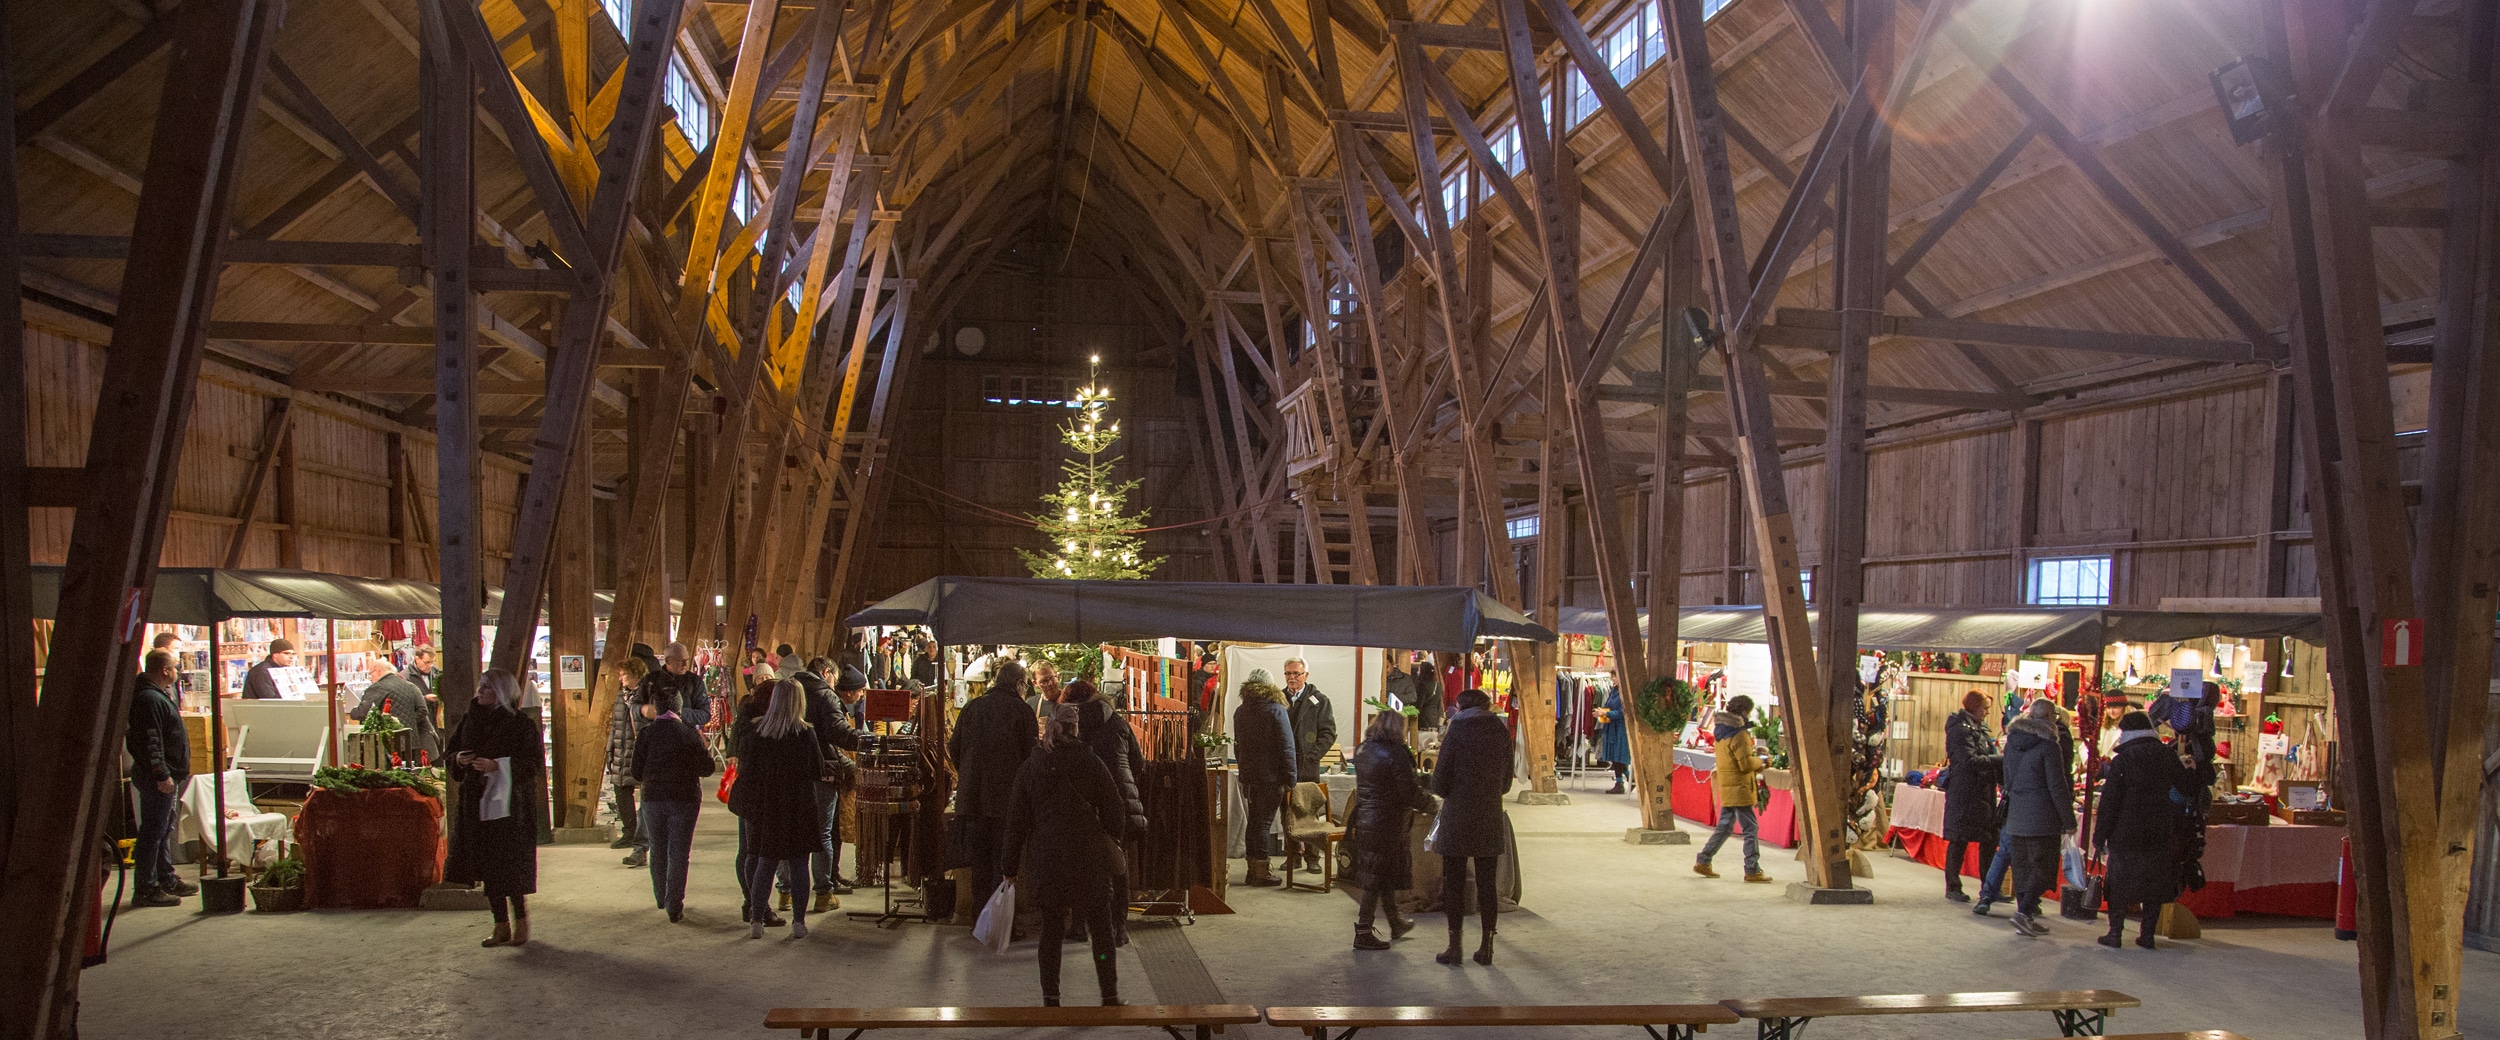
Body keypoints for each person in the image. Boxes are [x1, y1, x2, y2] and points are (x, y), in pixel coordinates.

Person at [1004, 702, 1127, 1007]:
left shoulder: (1032, 766)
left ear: (1048, 726)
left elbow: (1016, 820)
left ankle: (1051, 998)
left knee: (1051, 931)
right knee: (1100, 929)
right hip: (1088, 856)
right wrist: (1109, 834)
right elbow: (1115, 811)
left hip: (1047, 857)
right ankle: (1109, 996)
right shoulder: (1090, 762)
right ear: (1076, 728)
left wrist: (1009, 866)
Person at [446, 669, 545, 948]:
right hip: (477, 802)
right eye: (480, 685)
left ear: (501, 691)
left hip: (509, 805)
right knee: (487, 864)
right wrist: (460, 760)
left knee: (509, 865)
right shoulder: (470, 720)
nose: (480, 691)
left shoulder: (519, 724)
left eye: (487, 687)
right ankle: (499, 924)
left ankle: (521, 922)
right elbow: (451, 752)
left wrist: (498, 766)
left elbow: (533, 764)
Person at [730, 679, 827, 939]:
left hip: (767, 807)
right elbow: (818, 770)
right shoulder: (805, 734)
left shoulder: (756, 734)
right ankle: (798, 922)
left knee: (765, 862)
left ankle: (757, 921)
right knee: (798, 865)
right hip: (799, 806)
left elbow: (747, 772)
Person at [1430, 688, 1512, 965]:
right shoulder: (1501, 732)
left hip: (1458, 816)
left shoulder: (1456, 732)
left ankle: (1455, 948)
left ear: (1459, 707)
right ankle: (1487, 947)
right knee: (1487, 884)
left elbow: (1439, 782)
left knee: (1454, 883)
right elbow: (1507, 782)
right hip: (1489, 814)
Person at [951, 660, 1039, 916]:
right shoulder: (1022, 712)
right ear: (1019, 684)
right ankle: (1000, 923)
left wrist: (968, 775)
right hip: (1007, 801)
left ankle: (980, 919)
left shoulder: (971, 708)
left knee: (979, 862)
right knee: (1004, 862)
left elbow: (953, 748)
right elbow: (1030, 759)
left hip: (973, 800)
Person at [1063, 678, 1146, 945]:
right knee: (1117, 864)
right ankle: (1118, 927)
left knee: (1080, 865)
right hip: (1121, 801)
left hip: (1084, 803)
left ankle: (1079, 925)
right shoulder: (1118, 723)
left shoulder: (1072, 726)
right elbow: (1138, 761)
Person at [2095, 710, 2189, 949]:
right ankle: (2147, 935)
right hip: (2159, 828)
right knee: (2154, 883)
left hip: (2126, 830)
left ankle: (2115, 933)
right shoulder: (2166, 755)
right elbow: (2185, 788)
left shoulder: (2124, 760)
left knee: (2119, 882)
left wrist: (2100, 834)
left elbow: (2110, 801)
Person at [1348, 710, 1433, 950]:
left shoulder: (1364, 749)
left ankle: (1395, 922)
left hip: (1366, 818)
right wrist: (1431, 804)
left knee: (1380, 873)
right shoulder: (1395, 753)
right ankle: (1363, 931)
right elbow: (1408, 791)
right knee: (1375, 878)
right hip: (1388, 821)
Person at [632, 684, 714, 922]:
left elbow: (636, 772)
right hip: (684, 799)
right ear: (680, 707)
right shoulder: (689, 734)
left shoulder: (646, 735)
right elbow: (707, 769)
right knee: (679, 853)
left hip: (653, 798)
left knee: (657, 849)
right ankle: (674, 905)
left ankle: (660, 896)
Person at [2000, 697, 2076, 937]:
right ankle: (2024, 915)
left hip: (2017, 814)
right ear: (2049, 718)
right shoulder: (2049, 744)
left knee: (2022, 868)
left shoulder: (2013, 741)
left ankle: (2026, 917)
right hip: (2043, 818)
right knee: (2042, 868)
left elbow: (2006, 776)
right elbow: (2057, 785)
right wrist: (2069, 819)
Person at [125, 650, 195, 908]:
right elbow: (150, 741)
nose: (178, 672)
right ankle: (146, 888)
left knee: (163, 829)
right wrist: (161, 774)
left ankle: (165, 878)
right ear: (164, 670)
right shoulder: (149, 699)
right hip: (157, 777)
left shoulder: (157, 695)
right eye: (176, 668)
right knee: (153, 832)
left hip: (166, 775)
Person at [796, 658, 864, 907]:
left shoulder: (791, 689)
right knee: (822, 832)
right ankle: (823, 892)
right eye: (834, 678)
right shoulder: (826, 696)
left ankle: (787, 891)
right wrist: (865, 741)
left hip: (793, 771)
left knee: (794, 832)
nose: (834, 683)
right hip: (821, 772)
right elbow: (837, 735)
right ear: (826, 673)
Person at [1693, 696, 1771, 884]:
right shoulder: (1739, 734)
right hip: (1740, 786)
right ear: (1744, 712)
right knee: (1750, 828)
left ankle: (1704, 860)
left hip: (1728, 784)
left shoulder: (1721, 731)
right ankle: (1752, 869)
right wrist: (1761, 761)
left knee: (1725, 827)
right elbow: (1744, 764)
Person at [1230, 668, 1295, 887]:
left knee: (1254, 823)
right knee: (1264, 824)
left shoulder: (1241, 711)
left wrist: (1244, 771)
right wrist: (1290, 778)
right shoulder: (1276, 710)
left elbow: (1238, 746)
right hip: (1271, 778)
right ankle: (1262, 873)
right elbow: (1287, 747)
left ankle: (1252, 870)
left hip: (1250, 777)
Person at [727, 684, 784, 926]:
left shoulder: (745, 721)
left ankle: (750, 902)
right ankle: (757, 905)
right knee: (757, 853)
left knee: (748, 851)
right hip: (759, 797)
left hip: (746, 796)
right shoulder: (761, 730)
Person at [1941, 690, 2002, 902]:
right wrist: (1997, 760)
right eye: (1984, 708)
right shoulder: (1960, 730)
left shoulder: (1980, 729)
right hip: (1965, 792)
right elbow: (1968, 760)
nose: (1986, 713)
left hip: (1983, 792)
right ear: (1973, 706)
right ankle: (1953, 886)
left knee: (1989, 838)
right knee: (1959, 838)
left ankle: (1990, 886)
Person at [1281, 658, 1336, 872]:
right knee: (1287, 812)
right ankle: (1292, 856)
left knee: (1310, 811)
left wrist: (1313, 756)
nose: (1292, 678)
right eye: (1288, 674)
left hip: (1308, 767)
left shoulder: (1320, 701)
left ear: (1306, 675)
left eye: (1296, 673)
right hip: (1286, 767)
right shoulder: (1279, 699)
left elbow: (1328, 732)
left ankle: (1313, 858)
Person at [349, 654, 441, 763]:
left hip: (390, 742)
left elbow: (361, 713)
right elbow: (423, 710)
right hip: (411, 741)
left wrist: (352, 712)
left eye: (370, 674)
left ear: (377, 671)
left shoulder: (377, 687)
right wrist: (407, 723)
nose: (370, 678)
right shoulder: (410, 686)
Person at [609, 659, 653, 864]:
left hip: (642, 751)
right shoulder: (620, 697)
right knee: (621, 789)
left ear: (636, 674)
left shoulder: (647, 695)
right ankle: (629, 833)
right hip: (622, 749)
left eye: (624, 675)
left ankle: (640, 844)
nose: (621, 678)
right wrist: (610, 749)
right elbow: (615, 724)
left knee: (645, 797)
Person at [648, 642, 710, 730]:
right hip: (658, 736)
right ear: (668, 661)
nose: (685, 665)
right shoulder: (653, 680)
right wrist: (641, 710)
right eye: (680, 661)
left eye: (687, 660)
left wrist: (679, 713)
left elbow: (705, 715)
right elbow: (634, 706)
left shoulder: (694, 681)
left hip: (685, 737)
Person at [1594, 685, 1631, 794]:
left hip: (1620, 728)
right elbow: (1608, 706)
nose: (1613, 679)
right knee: (1614, 756)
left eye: (1615, 676)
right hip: (1611, 727)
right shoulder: (1613, 691)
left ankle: (1625, 781)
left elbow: (1623, 712)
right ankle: (1624, 781)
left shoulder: (1625, 692)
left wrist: (1605, 713)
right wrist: (1600, 712)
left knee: (1619, 755)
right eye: (1612, 676)